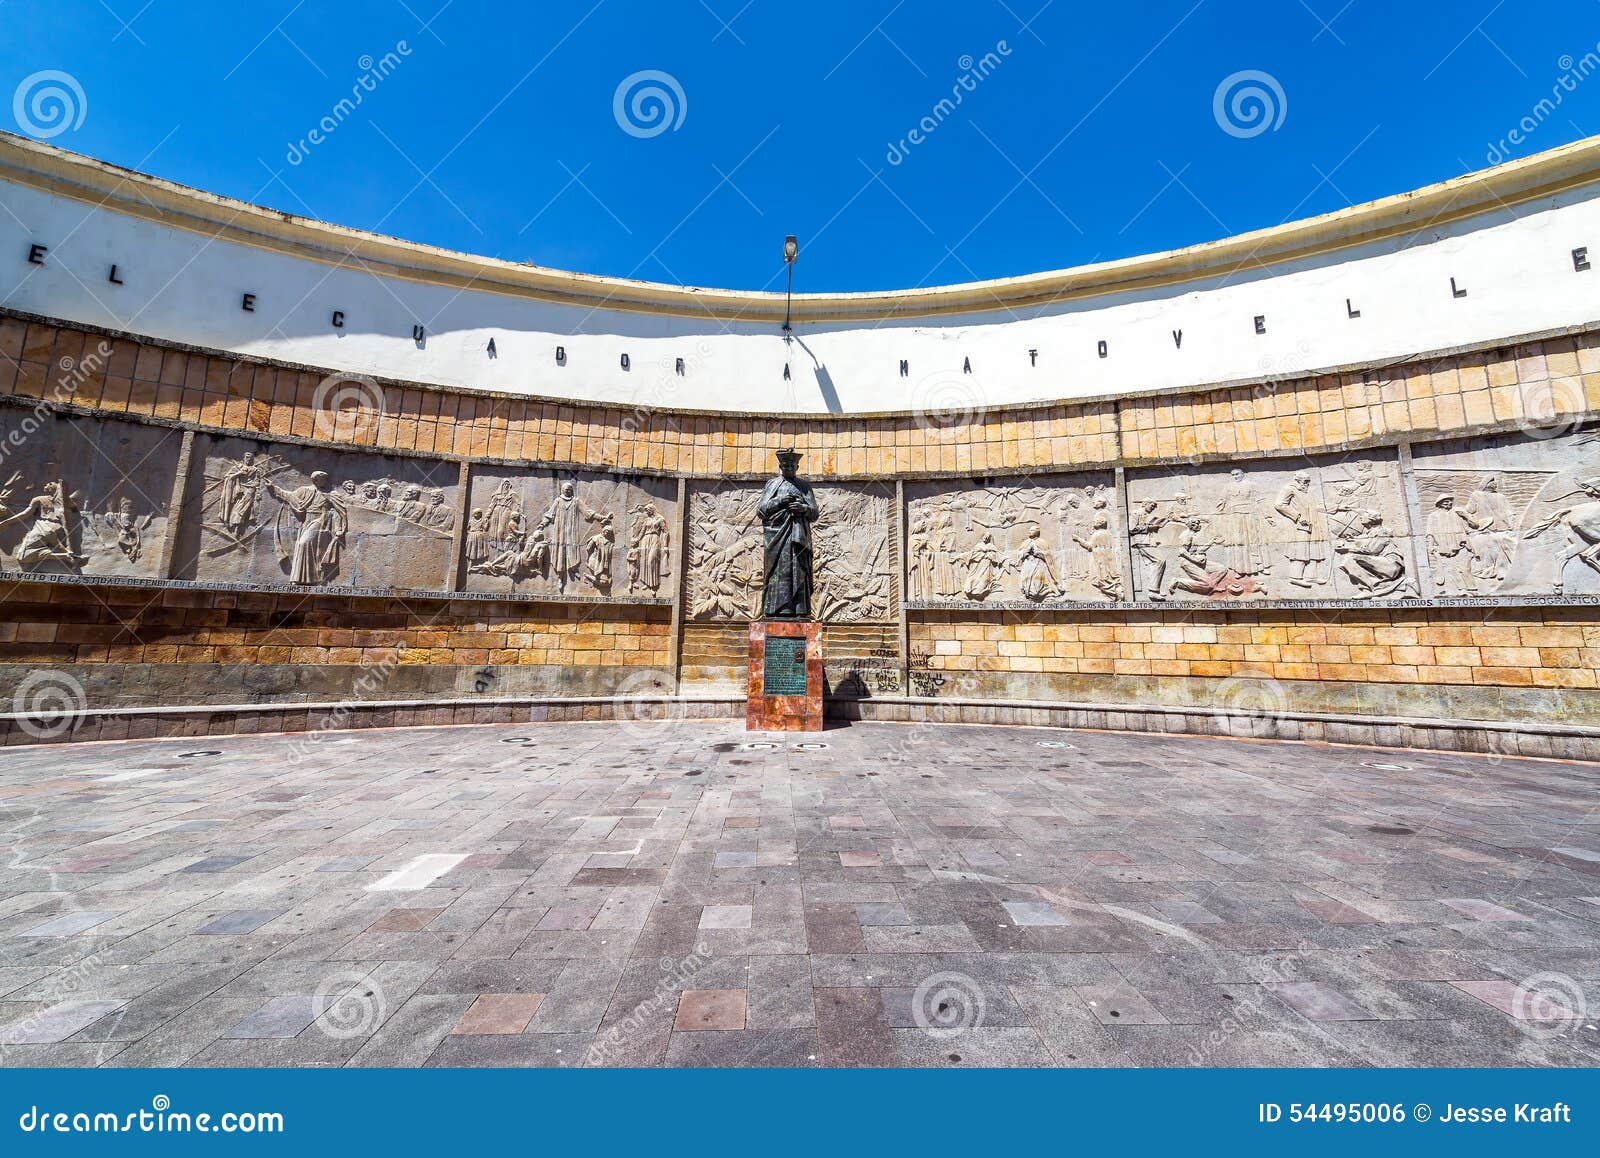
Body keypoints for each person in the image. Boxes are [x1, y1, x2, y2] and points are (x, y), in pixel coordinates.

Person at [757, 449, 820, 618]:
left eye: (792, 464)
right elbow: (761, 511)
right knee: (779, 572)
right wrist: (781, 501)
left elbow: (814, 513)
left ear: (797, 466)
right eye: (785, 464)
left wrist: (803, 508)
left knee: (799, 569)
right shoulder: (772, 485)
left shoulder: (804, 486)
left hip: (798, 536)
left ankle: (799, 609)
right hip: (776, 537)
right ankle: (777, 610)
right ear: (780, 466)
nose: (789, 466)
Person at [266, 470, 347, 585]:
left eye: (325, 479)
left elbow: (341, 511)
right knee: (302, 547)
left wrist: (341, 528)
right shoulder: (305, 490)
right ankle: (302, 579)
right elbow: (290, 496)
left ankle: (309, 577)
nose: (325, 481)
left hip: (321, 520)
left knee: (303, 543)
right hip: (307, 520)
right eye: (322, 479)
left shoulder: (331, 494)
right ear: (315, 480)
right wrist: (274, 488)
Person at [538, 480, 603, 592]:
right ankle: (560, 576)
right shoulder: (558, 501)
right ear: (563, 490)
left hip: (571, 531)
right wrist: (542, 524)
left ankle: (573, 568)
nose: (568, 491)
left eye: (570, 489)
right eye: (566, 489)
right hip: (560, 532)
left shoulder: (576, 501)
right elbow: (549, 514)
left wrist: (601, 517)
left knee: (572, 549)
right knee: (560, 552)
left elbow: (587, 512)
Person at [1273, 473, 1327, 589]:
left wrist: (1333, 508)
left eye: (1308, 481)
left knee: (1314, 550)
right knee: (1300, 551)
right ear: (1297, 481)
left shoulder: (1309, 492)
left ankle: (1311, 576)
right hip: (1299, 525)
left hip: (1313, 524)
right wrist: (1297, 516)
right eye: (1305, 481)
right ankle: (1295, 577)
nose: (1307, 484)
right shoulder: (1289, 489)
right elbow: (1279, 504)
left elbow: (1316, 506)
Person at [1465, 475, 1514, 584]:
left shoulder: (1500, 496)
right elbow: (1470, 510)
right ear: (1485, 484)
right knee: (1490, 548)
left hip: (1500, 527)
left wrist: (1511, 525)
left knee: (1501, 547)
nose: (1495, 483)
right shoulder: (1477, 495)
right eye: (1492, 481)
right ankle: (1493, 570)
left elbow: (1509, 512)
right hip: (1486, 527)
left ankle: (1501, 571)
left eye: (1494, 481)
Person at [1426, 494, 1475, 595]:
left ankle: (1472, 588)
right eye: (1446, 501)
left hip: (1461, 544)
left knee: (1465, 568)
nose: (1449, 503)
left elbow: (1475, 525)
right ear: (1439, 503)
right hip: (1444, 546)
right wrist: (1430, 546)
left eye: (1450, 501)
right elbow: (1430, 533)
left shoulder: (1458, 513)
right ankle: (1461, 590)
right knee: (1451, 569)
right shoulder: (1433, 516)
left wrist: (1465, 515)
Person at [1017, 525, 1060, 601]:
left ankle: (1047, 592)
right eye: (1029, 530)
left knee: (1037, 585)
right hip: (1027, 565)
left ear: (1037, 532)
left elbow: (1048, 555)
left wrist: (1038, 553)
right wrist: (1025, 552)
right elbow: (1019, 553)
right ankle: (1027, 595)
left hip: (1038, 565)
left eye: (1032, 530)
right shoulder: (1025, 542)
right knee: (1026, 581)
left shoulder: (1042, 542)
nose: (1029, 532)